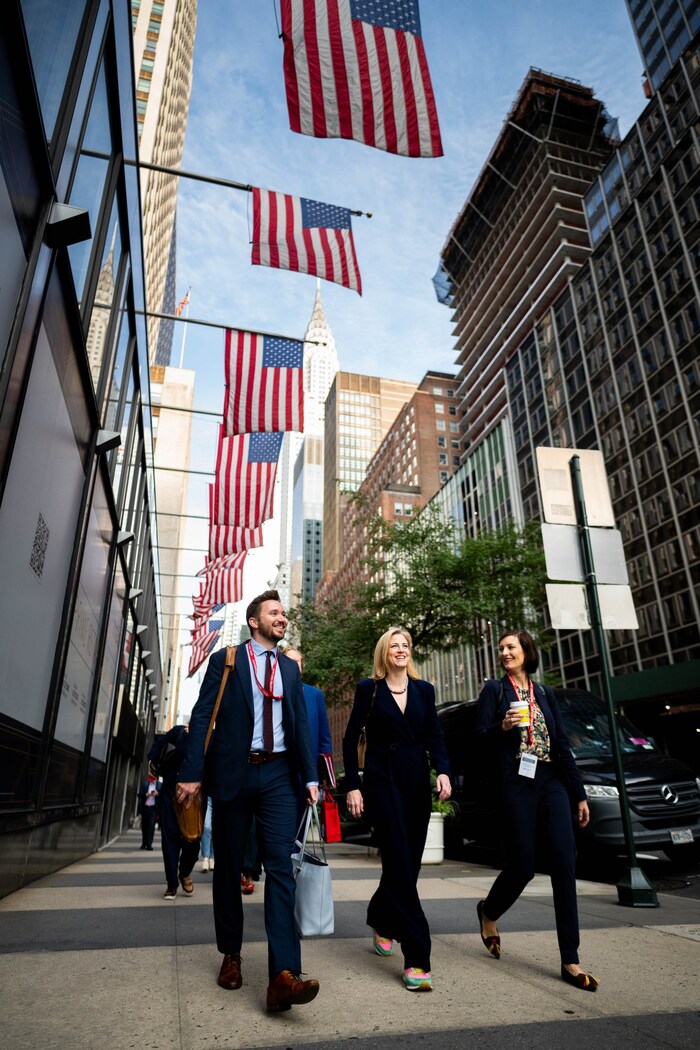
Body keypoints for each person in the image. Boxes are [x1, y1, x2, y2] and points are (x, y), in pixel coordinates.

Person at [176, 589, 320, 1013]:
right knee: (229, 867)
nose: (283, 617)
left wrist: (310, 776)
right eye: (274, 612)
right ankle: (231, 954)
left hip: (278, 774)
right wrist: (190, 772)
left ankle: (284, 976)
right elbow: (203, 715)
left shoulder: (291, 670)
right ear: (254, 621)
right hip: (233, 771)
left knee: (280, 868)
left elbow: (301, 726)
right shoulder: (227, 660)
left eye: (284, 613)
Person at [474, 629, 600, 991]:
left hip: (549, 780)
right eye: (500, 648)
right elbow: (478, 739)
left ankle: (570, 959)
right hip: (515, 782)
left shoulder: (543, 693)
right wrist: (502, 725)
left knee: (564, 860)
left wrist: (578, 794)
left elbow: (561, 744)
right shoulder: (494, 691)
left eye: (510, 646)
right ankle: (489, 912)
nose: (504, 652)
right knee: (523, 866)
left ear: (527, 651)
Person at [342, 626, 452, 992]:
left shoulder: (424, 690)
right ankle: (418, 957)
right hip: (380, 780)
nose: (401, 650)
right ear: (384, 653)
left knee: (407, 864)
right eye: (394, 645)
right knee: (400, 862)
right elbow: (350, 737)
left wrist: (444, 771)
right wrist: (354, 786)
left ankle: (380, 917)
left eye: (405, 645)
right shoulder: (368, 689)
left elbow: (434, 735)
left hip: (416, 781)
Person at [148, 725, 200, 900]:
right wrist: (152, 763)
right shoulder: (178, 732)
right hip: (170, 794)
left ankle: (184, 872)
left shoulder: (210, 737)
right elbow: (156, 749)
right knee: (169, 839)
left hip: (195, 798)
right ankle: (171, 884)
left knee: (193, 840)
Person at [285, 648, 335, 817]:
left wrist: (325, 776)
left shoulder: (315, 695)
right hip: (280, 768)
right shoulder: (273, 694)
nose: (292, 665)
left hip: (307, 771)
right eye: (288, 661)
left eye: (297, 661)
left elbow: (325, 737)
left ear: (302, 667)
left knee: (300, 823)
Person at [137, 772, 159, 850]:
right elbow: (139, 795)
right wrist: (147, 795)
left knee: (151, 826)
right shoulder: (145, 784)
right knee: (144, 826)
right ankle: (144, 843)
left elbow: (163, 796)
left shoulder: (159, 786)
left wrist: (157, 794)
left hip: (153, 809)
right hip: (145, 808)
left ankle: (149, 844)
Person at [200, 797, 214, 872]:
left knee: (216, 828)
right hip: (207, 795)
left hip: (220, 796)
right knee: (206, 826)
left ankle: (212, 857)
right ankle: (205, 857)